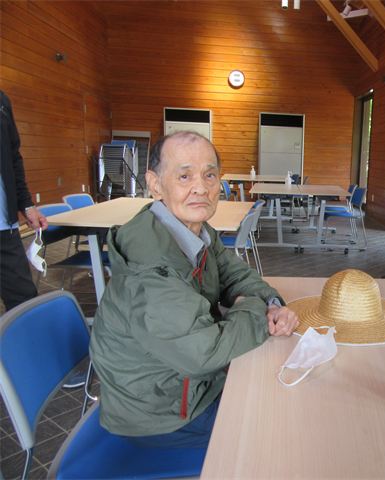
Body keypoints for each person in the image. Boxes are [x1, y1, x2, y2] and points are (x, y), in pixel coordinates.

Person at [89, 131, 299, 449]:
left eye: (209, 175)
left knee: (279, 392)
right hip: (162, 413)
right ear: (155, 184)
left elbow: (235, 275)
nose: (200, 187)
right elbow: (205, 353)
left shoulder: (195, 230)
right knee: (278, 431)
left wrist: (270, 303)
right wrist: (253, 309)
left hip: (186, 384)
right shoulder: (152, 268)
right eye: (184, 175)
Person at [0, 90, 48, 311]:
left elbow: (12, 156)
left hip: (4, 226)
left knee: (24, 302)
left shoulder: (1, 100)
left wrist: (26, 204)